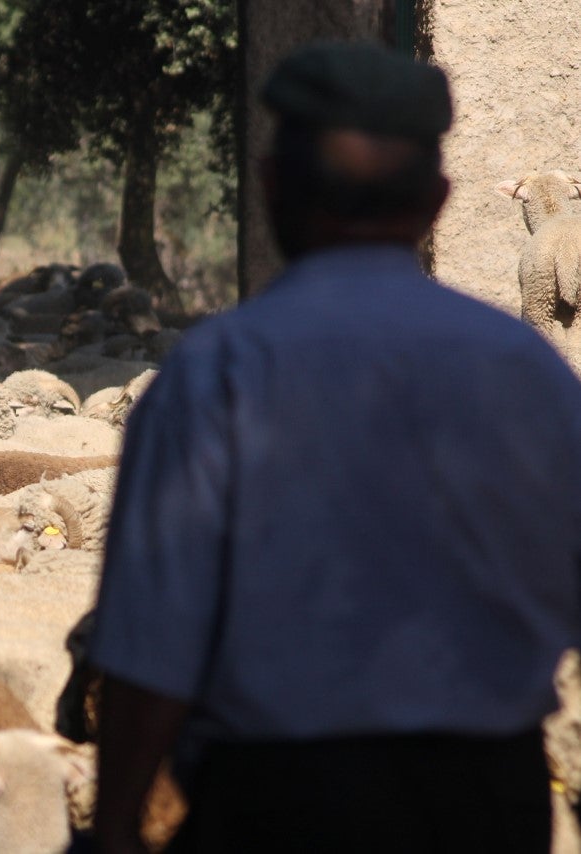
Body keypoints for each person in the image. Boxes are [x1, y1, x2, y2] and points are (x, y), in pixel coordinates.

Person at [88, 41, 581, 853]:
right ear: (437, 201)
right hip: (487, 801)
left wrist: (112, 832)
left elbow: (152, 646)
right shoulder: (526, 372)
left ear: (275, 189)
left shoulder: (214, 376)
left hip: (278, 803)